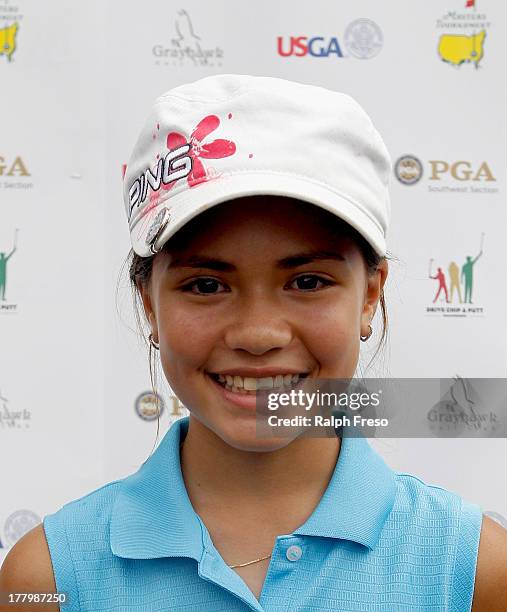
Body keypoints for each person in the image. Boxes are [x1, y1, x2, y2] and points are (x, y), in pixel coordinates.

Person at [1, 74, 506, 611]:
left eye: (307, 282)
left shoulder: (473, 570)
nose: (258, 335)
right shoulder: (49, 577)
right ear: (149, 303)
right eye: (206, 285)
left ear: (369, 297)